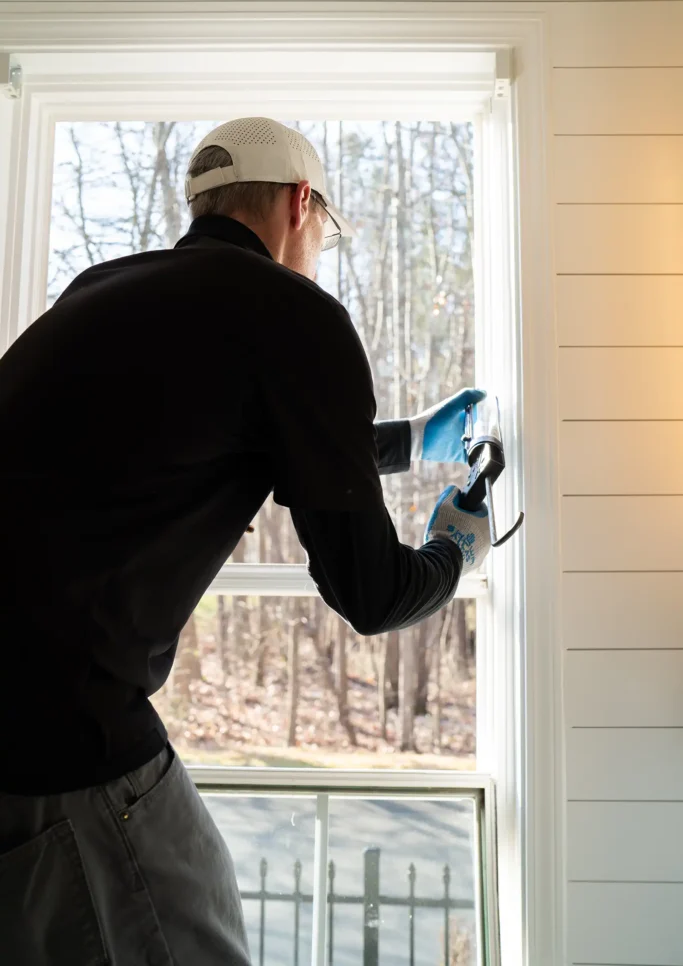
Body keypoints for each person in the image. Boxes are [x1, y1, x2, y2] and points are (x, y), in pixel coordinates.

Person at [0, 116, 489, 965]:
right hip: (64, 747)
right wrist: (453, 554)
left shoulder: (102, 289)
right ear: (302, 204)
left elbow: (239, 431)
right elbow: (371, 597)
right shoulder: (294, 314)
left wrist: (409, 442)